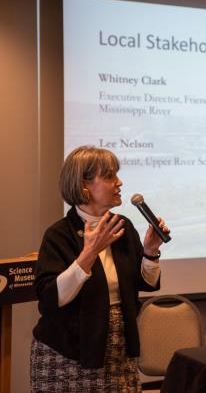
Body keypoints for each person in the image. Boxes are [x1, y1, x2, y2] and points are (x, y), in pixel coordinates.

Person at [30, 145, 170, 392]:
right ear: (84, 186)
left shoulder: (122, 226)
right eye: (109, 176)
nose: (119, 182)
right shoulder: (59, 234)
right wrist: (89, 253)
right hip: (68, 355)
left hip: (118, 349)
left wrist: (150, 251)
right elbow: (51, 298)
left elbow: (146, 283)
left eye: (117, 175)